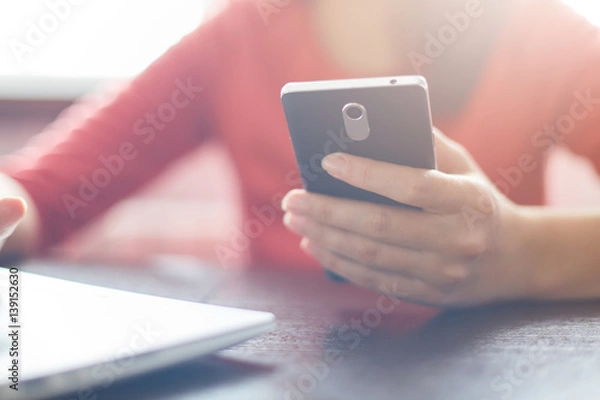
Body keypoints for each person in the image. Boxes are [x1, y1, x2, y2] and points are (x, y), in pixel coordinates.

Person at [0, 0, 599, 307]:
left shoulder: (540, 31)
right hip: (282, 369)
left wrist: (520, 251)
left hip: (492, 363)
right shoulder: (237, 35)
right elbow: (40, 193)